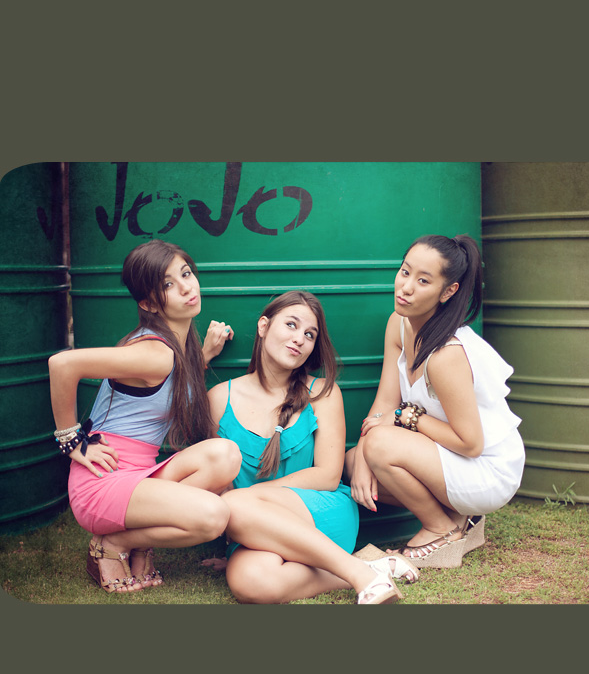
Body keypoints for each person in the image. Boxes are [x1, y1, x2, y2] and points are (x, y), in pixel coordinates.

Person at [48, 239, 242, 594]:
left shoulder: (174, 347)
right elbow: (62, 365)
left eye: (186, 273)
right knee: (213, 516)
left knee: (226, 454)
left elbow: (169, 385)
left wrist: (204, 354)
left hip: (140, 473)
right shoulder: (156, 353)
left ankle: (131, 539)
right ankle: (114, 543)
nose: (186, 287)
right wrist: (71, 441)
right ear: (149, 303)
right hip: (103, 479)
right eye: (168, 284)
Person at [207, 291, 420, 604]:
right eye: (291, 325)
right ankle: (369, 566)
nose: (299, 339)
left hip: (321, 511)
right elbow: (220, 484)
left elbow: (328, 476)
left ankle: (362, 578)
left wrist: (247, 500)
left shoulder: (323, 392)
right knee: (251, 584)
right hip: (254, 526)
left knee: (234, 504)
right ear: (263, 326)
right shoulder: (218, 398)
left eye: (309, 334)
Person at [345, 234, 525, 568]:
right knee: (354, 461)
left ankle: (441, 530)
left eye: (423, 281)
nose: (406, 287)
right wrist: (365, 454)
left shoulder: (446, 354)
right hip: (452, 456)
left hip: (488, 468)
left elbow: (470, 444)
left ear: (448, 292)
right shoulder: (399, 325)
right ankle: (458, 518)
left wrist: (406, 417)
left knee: (380, 446)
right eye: (405, 272)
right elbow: (384, 404)